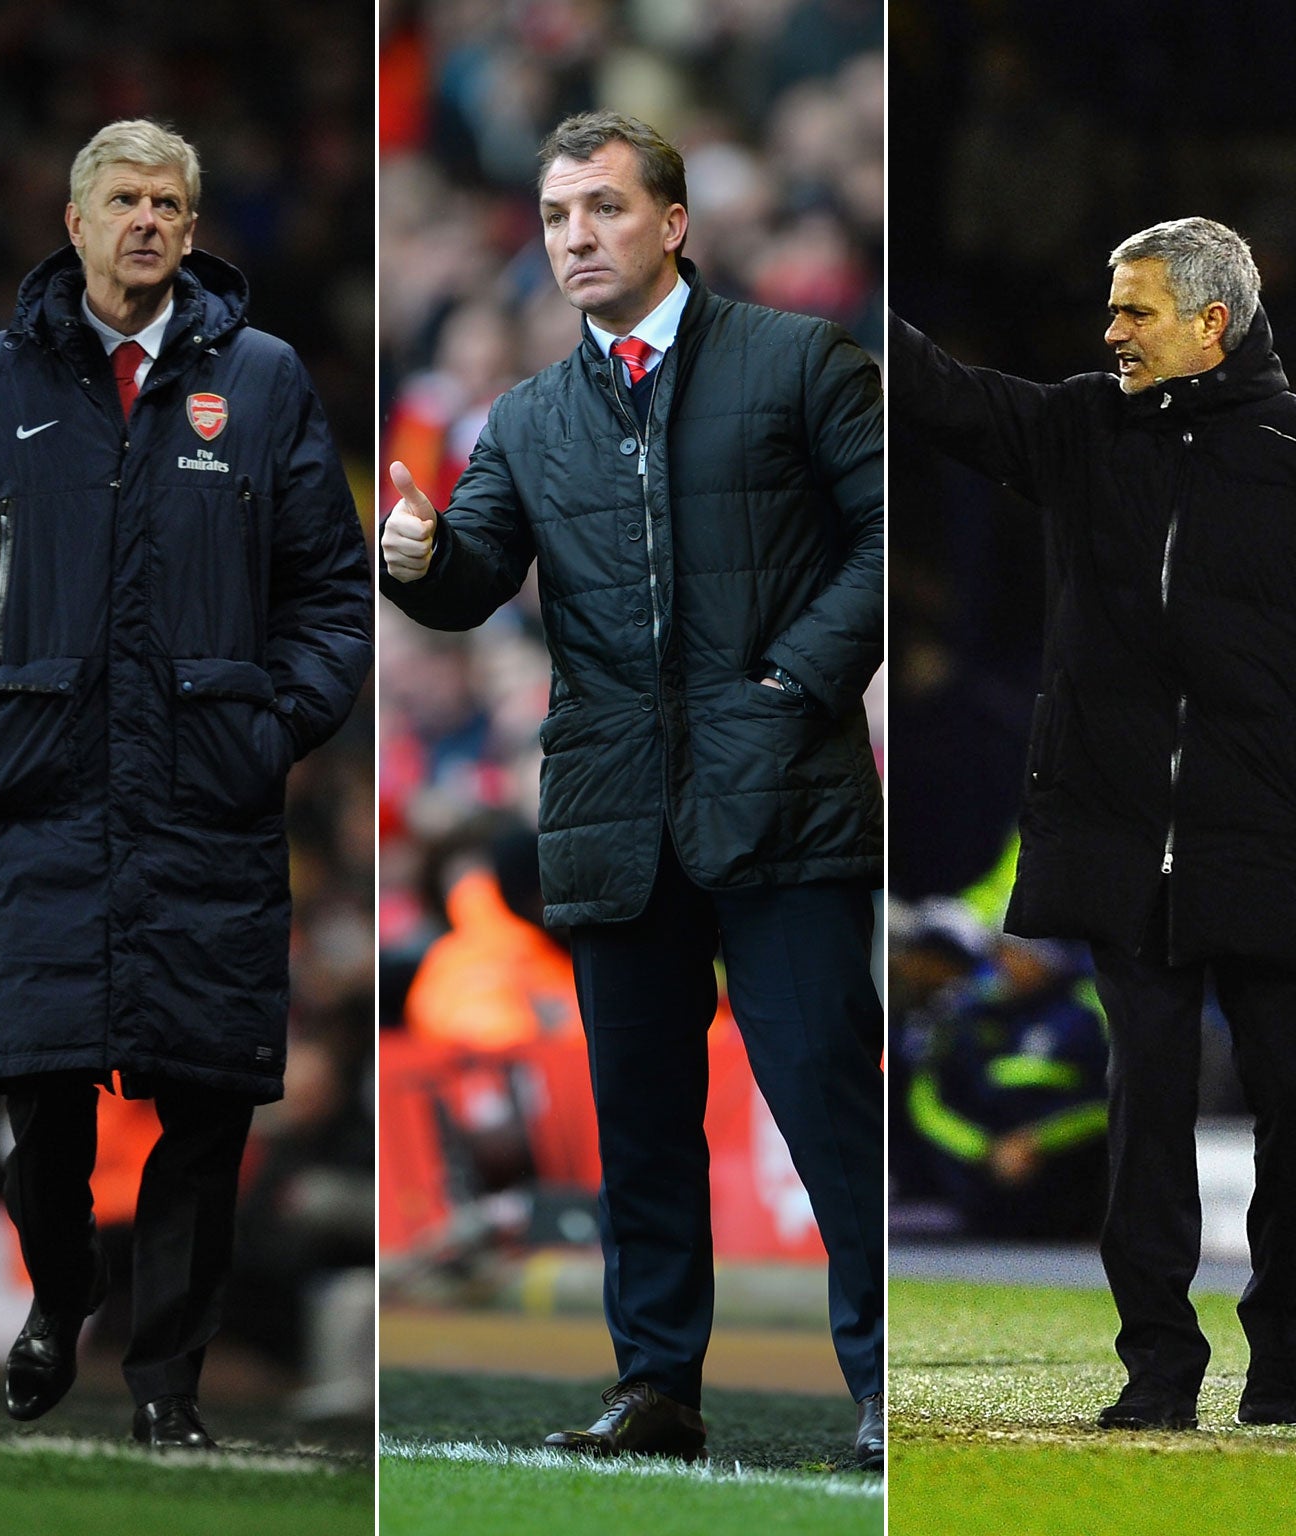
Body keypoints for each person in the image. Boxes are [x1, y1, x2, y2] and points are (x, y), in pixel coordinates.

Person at [382, 111, 885, 1467]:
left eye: (603, 208)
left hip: (784, 798)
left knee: (829, 1106)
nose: (576, 238)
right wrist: (418, 557)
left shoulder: (801, 360)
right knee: (640, 1129)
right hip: (616, 814)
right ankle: (656, 1384)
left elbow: (892, 538)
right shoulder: (529, 417)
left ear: (673, 224)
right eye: (557, 217)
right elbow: (473, 573)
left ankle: (885, 1383)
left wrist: (789, 688)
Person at [0, 120, 371, 1451]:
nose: (145, 219)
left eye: (168, 202)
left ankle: (168, 1382)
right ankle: (63, 1285)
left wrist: (277, 724)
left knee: (208, 1104)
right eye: (121, 199)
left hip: (207, 799)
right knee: (39, 1093)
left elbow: (329, 593)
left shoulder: (263, 383)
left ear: (193, 230)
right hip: (39, 796)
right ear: (74, 221)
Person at [891, 217, 1296, 1429]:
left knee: (1291, 1097)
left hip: (1269, 833)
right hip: (1122, 837)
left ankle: (1278, 1356)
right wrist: (840, 312)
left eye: (1133, 311)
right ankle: (1157, 1371)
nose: (1107, 332)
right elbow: (944, 397)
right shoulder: (1081, 428)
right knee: (1144, 1098)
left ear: (1210, 323)